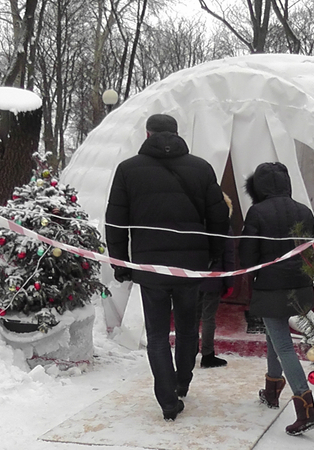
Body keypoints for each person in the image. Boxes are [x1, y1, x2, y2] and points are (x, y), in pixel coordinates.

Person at [105, 113, 230, 422]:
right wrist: (215, 255)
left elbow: (115, 221)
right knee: (188, 327)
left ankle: (167, 400)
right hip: (190, 267)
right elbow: (218, 219)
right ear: (176, 133)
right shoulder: (201, 168)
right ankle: (182, 382)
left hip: (150, 266)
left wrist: (120, 261)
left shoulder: (128, 170)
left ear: (147, 135)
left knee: (158, 335)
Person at [239, 162, 314, 436]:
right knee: (273, 337)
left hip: (270, 285)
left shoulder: (257, 212)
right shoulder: (303, 210)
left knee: (283, 344)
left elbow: (248, 255)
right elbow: (312, 250)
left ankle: (306, 408)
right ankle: (272, 390)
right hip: (299, 284)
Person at [196, 192, 235, 368]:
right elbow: (229, 256)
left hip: (192, 278)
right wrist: (229, 282)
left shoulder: (194, 224)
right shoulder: (224, 227)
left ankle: (188, 353)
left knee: (190, 317)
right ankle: (207, 354)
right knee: (208, 318)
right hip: (214, 279)